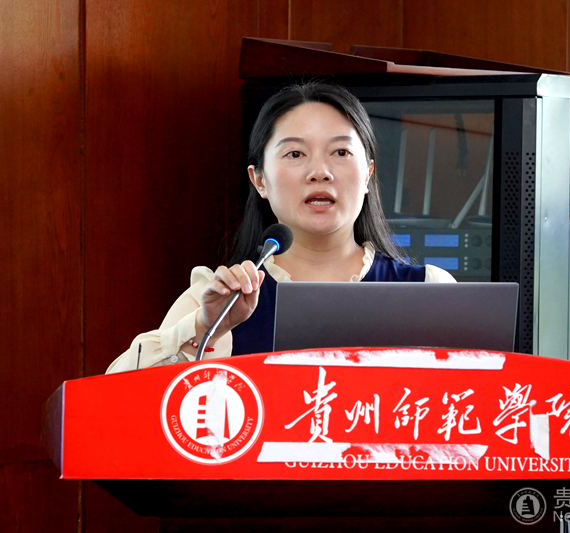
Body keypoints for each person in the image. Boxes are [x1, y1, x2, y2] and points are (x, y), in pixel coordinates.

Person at [106, 82, 455, 374]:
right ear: (259, 180)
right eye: (295, 154)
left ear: (368, 174)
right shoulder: (218, 299)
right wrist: (206, 328)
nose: (320, 172)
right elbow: (115, 398)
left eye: (341, 152)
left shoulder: (430, 292)